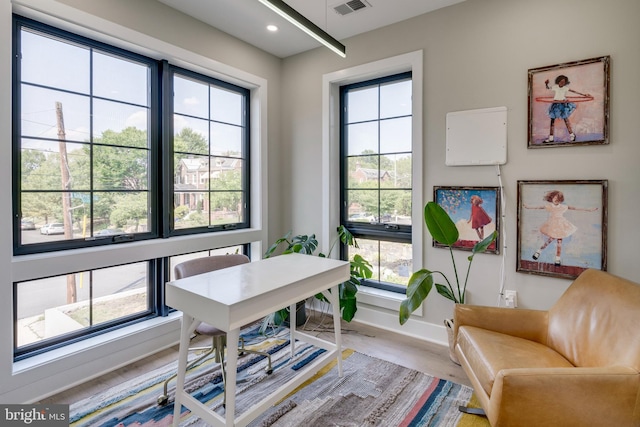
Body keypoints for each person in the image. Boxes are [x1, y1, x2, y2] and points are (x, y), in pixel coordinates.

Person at [524, 190, 597, 266]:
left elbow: (575, 208)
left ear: (560, 200)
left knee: (559, 243)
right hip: (553, 226)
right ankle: (539, 251)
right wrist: (528, 207)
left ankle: (557, 259)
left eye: (558, 198)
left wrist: (589, 209)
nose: (556, 200)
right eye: (554, 198)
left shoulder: (563, 207)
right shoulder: (550, 206)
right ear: (551, 198)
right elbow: (539, 207)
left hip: (561, 226)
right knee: (549, 241)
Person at [543, 75, 590, 143]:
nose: (562, 83)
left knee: (565, 120)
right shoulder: (555, 87)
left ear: (565, 83)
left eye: (564, 82)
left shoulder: (565, 88)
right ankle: (551, 138)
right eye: (561, 81)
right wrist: (546, 84)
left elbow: (574, 91)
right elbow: (548, 88)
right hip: (555, 105)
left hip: (562, 105)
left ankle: (572, 135)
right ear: (558, 81)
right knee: (552, 121)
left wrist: (584, 95)